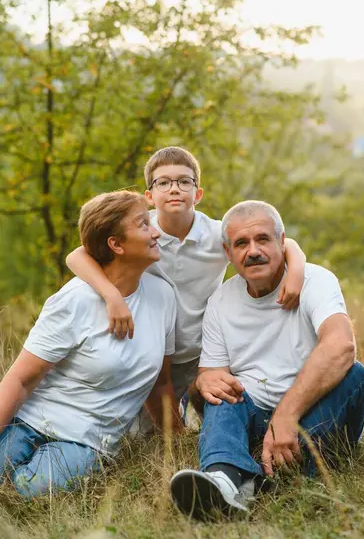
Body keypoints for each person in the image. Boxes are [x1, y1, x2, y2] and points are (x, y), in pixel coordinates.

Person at [65, 147, 306, 414]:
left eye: (184, 182)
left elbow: (283, 242)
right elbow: (76, 256)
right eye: (163, 183)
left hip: (202, 353)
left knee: (211, 412)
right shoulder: (142, 236)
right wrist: (112, 296)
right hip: (151, 351)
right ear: (149, 196)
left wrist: (295, 272)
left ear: (198, 194)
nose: (174, 189)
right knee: (146, 431)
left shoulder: (217, 235)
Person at [170, 200, 364, 521]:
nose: (253, 251)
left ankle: (278, 477)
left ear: (282, 241)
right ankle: (226, 479)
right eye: (241, 244)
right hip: (255, 418)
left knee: (355, 373)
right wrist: (206, 378)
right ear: (228, 251)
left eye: (262, 239)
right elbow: (213, 371)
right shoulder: (221, 300)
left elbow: (341, 345)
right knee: (221, 390)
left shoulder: (315, 280)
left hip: (314, 415)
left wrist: (287, 416)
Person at [0, 190, 178, 497]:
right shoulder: (75, 300)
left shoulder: (163, 296)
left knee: (27, 491)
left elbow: (160, 385)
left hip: (88, 441)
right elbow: (21, 378)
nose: (156, 232)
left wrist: (178, 445)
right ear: (116, 244)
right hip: (29, 423)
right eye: (144, 225)